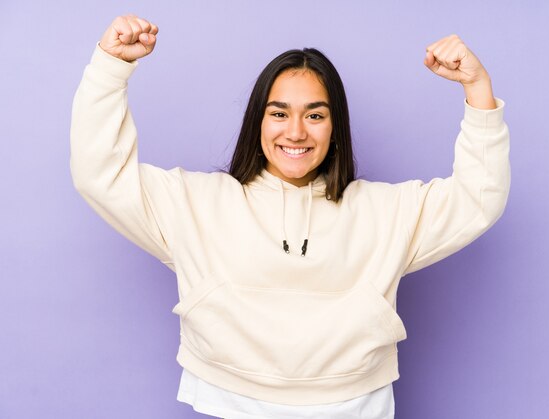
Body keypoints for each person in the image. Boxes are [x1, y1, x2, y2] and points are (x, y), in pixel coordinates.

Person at [70, 14, 510, 419]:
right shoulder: (195, 202)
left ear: (335, 126)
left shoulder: (386, 210)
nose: (296, 132)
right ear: (257, 122)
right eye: (279, 113)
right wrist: (110, 68)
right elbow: (100, 174)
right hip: (227, 400)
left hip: (354, 406)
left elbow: (478, 199)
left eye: (315, 115)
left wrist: (477, 87)